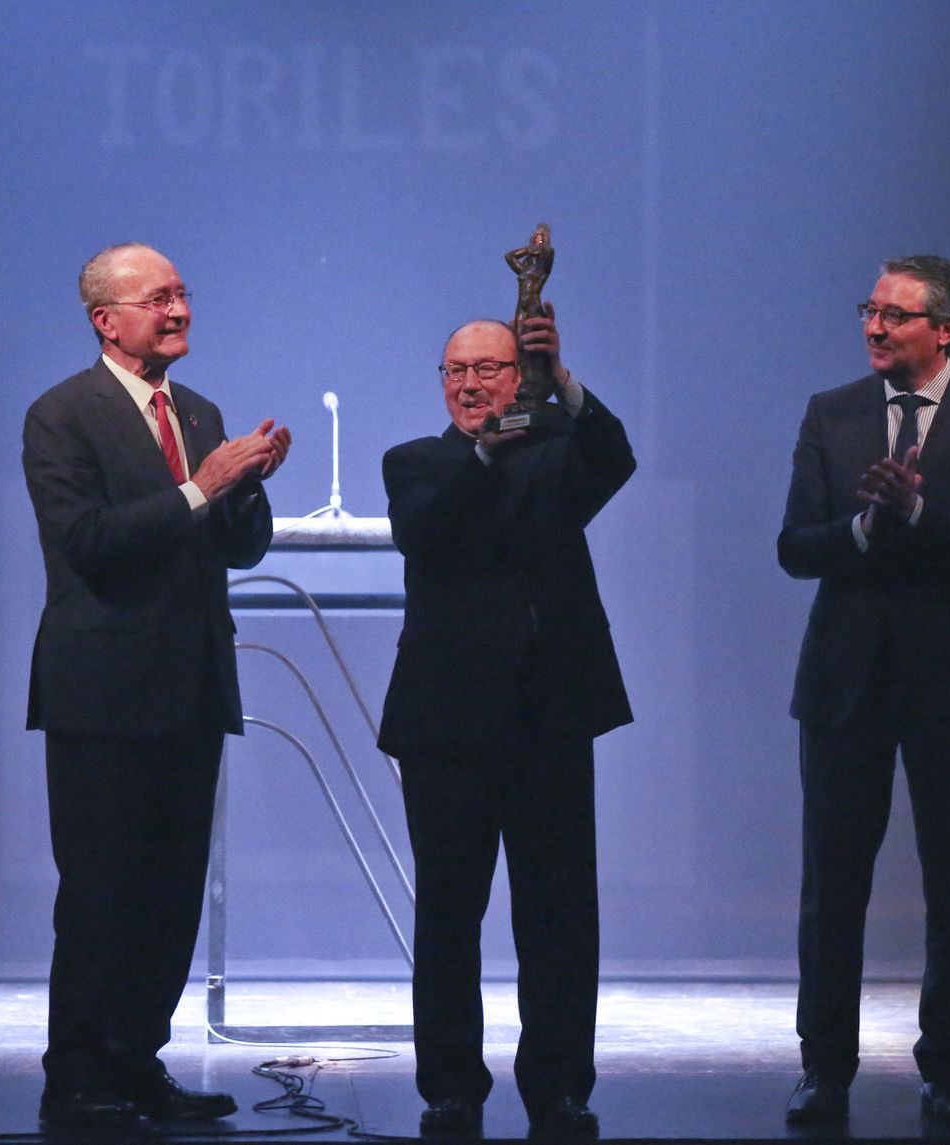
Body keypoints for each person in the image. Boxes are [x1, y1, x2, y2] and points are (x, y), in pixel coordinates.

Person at [21, 242, 291, 1128]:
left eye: (182, 294)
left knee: (172, 892)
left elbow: (236, 546)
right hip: (102, 692)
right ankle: (79, 1076)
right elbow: (90, 544)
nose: (179, 311)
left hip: (189, 685)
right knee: (101, 891)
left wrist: (244, 487)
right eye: (159, 298)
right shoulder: (63, 415)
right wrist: (199, 487)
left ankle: (138, 1061)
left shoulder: (200, 411)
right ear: (108, 319)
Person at [778, 256, 950, 1126]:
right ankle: (824, 1067)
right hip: (846, 681)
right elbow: (795, 544)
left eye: (893, 315)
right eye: (869, 311)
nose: (873, 327)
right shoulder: (833, 411)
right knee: (833, 884)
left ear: (944, 328)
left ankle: (946, 1064)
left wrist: (917, 515)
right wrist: (864, 524)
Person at [378, 307, 635, 1137]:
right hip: (446, 723)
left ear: (516, 377)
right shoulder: (416, 462)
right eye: (456, 371)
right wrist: (486, 448)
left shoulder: (560, 457)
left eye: (487, 368)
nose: (470, 383)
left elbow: (614, 455)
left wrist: (558, 377)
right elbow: (427, 530)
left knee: (558, 911)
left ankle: (559, 1081)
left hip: (551, 712)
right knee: (449, 909)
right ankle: (451, 1083)